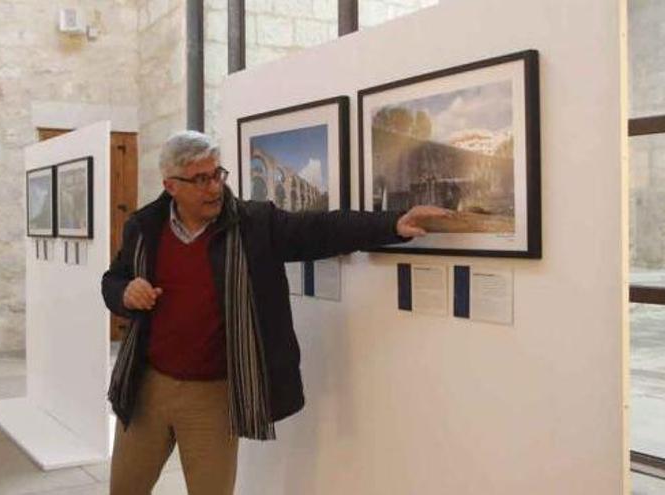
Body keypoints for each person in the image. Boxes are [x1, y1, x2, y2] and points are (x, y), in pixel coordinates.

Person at [101, 130, 449, 494]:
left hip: (214, 395)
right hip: (147, 386)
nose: (214, 187)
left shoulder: (254, 224)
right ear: (171, 186)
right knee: (124, 489)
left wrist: (393, 223)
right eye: (200, 179)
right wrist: (125, 292)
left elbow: (320, 229)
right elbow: (112, 280)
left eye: (217, 174)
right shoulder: (144, 228)